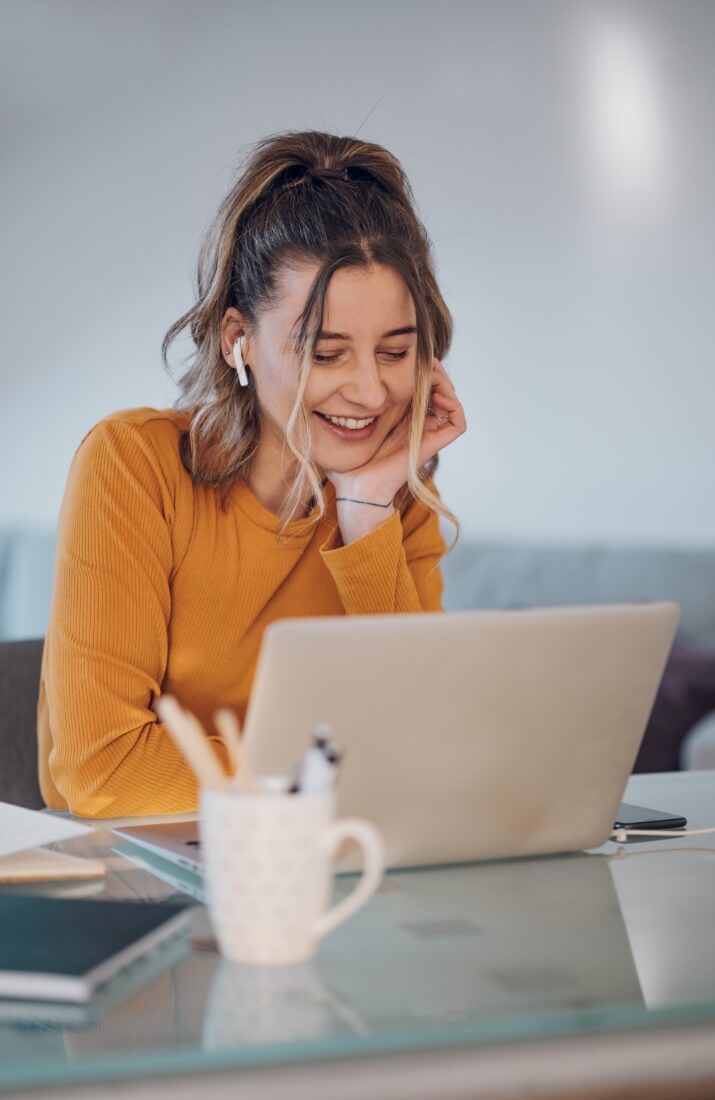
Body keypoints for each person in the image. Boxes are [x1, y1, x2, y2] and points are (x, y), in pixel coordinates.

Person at [37, 130, 467, 817]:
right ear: (239, 341)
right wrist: (339, 774)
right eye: (327, 354)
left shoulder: (396, 496)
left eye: (395, 351)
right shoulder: (133, 464)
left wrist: (363, 513)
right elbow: (105, 768)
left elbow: (427, 746)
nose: (371, 392)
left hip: (339, 857)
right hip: (146, 873)